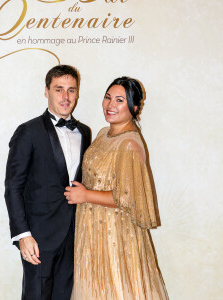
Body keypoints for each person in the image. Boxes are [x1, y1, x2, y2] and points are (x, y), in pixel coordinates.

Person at [65, 77, 169, 299]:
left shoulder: (129, 144)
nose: (110, 105)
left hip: (115, 234)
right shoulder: (104, 133)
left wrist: (84, 195)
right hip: (92, 229)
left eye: (119, 100)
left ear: (135, 107)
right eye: (108, 97)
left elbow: (127, 197)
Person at [4, 65, 91, 300]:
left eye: (71, 90)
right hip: (39, 237)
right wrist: (23, 235)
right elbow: (13, 187)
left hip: (74, 234)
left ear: (77, 93)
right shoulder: (28, 131)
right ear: (46, 91)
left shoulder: (85, 132)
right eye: (59, 89)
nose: (65, 97)